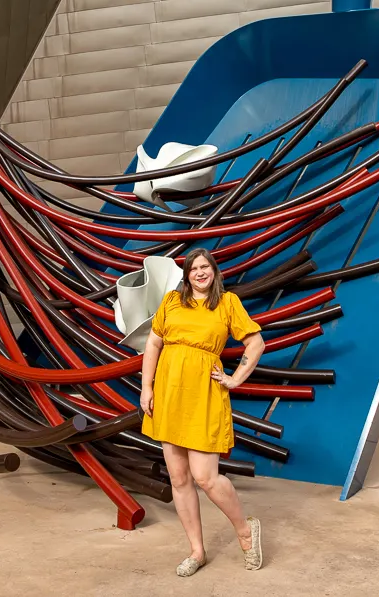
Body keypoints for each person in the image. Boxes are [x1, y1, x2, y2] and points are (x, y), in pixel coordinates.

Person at [140, 247, 267, 576]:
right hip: (169, 395)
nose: (199, 272)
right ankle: (197, 551)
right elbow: (153, 344)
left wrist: (235, 378)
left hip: (203, 396)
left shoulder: (227, 304)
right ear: (186, 273)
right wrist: (147, 387)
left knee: (205, 477)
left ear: (214, 271)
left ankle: (244, 529)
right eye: (193, 268)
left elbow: (256, 343)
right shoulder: (171, 301)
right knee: (179, 479)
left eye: (204, 267)